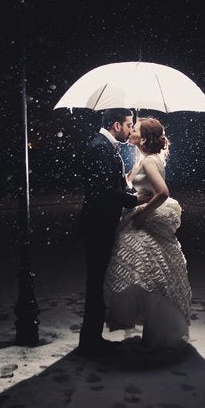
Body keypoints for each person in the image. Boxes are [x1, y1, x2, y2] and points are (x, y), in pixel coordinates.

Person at [104, 116, 192, 352]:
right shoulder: (145, 159)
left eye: (136, 128)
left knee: (148, 277)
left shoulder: (150, 161)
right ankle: (153, 337)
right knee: (147, 277)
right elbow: (129, 185)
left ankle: (155, 338)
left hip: (146, 223)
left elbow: (162, 192)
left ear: (143, 137)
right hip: (140, 218)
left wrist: (143, 214)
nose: (131, 130)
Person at [77, 108, 151, 357]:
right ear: (117, 125)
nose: (131, 129)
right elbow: (102, 191)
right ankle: (90, 342)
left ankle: (92, 338)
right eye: (129, 125)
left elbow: (110, 185)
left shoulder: (106, 146)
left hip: (101, 223)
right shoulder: (100, 147)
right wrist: (134, 199)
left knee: (98, 282)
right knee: (96, 283)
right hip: (97, 225)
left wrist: (127, 189)